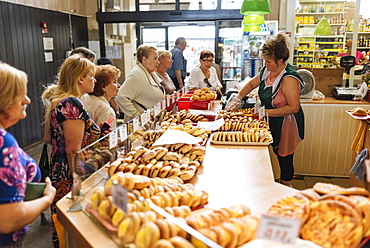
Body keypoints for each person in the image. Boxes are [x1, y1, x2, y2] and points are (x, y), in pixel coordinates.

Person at [225, 33, 305, 187]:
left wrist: (265, 112)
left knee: (285, 157)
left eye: (268, 61)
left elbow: (293, 107)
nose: (265, 64)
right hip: (273, 118)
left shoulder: (288, 78)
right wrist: (237, 97)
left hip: (287, 122)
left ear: (280, 61)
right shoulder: (267, 71)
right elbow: (250, 85)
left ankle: (286, 188)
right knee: (275, 152)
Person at [42, 54, 101, 247]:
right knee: (75, 227)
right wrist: (79, 184)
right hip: (71, 173)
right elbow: (73, 150)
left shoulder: (57, 100)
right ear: (79, 78)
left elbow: (48, 139)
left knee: (64, 227)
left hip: (58, 170)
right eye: (91, 76)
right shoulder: (72, 104)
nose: (94, 80)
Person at [0, 62, 56, 247]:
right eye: (19, 95)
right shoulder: (3, 144)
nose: (27, 100)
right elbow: (8, 220)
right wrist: (48, 199)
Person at [117, 45, 165, 123]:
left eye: (158, 59)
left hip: (152, 121)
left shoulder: (151, 72)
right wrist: (136, 115)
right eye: (155, 59)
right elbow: (121, 97)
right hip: (140, 125)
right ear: (144, 60)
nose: (158, 62)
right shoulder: (136, 74)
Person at [81, 64, 121, 129]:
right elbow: (107, 138)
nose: (119, 85)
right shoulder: (106, 111)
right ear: (103, 87)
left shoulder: (84, 98)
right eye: (114, 82)